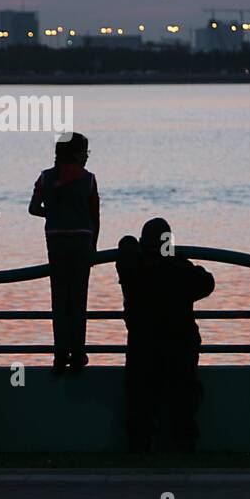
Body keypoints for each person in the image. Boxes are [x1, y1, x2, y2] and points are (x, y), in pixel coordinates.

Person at [116, 218, 214, 452]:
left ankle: (139, 446)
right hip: (180, 342)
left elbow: (126, 248)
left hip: (143, 343)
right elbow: (207, 282)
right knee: (184, 394)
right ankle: (183, 443)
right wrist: (176, 259)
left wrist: (132, 245)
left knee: (140, 397)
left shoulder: (133, 269)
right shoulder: (179, 270)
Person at [28, 132, 99, 373]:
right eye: (85, 152)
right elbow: (95, 217)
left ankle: (60, 353)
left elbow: (33, 208)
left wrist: (55, 213)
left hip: (56, 242)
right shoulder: (88, 179)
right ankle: (78, 353)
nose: (87, 157)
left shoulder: (45, 178)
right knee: (79, 299)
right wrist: (93, 247)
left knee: (59, 299)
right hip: (82, 243)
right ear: (78, 154)